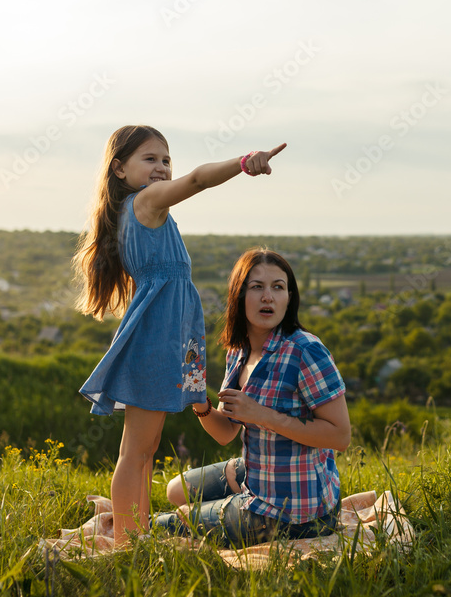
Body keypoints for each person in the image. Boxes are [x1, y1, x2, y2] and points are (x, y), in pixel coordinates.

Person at [74, 125, 285, 548]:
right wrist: (244, 163)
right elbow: (199, 179)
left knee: (145, 449)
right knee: (136, 452)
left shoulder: (136, 212)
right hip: (156, 343)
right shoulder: (147, 202)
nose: (162, 168)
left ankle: (138, 534)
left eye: (166, 160)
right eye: (149, 159)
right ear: (119, 169)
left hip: (166, 343)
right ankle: (129, 543)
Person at [155, 249, 351, 547]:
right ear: (239, 295)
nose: (268, 297)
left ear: (289, 297)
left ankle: (237, 510)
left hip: (295, 510)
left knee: (164, 524)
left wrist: (262, 415)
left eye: (278, 287)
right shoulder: (239, 351)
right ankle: (233, 501)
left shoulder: (305, 351)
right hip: (260, 468)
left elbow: (340, 436)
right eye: (257, 287)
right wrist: (199, 400)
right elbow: (226, 432)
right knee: (175, 490)